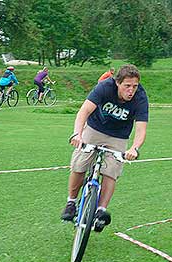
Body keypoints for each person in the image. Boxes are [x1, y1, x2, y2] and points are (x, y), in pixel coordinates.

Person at [61, 64, 149, 232]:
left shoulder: (140, 98)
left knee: (111, 171)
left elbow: (141, 128)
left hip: (118, 136)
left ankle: (100, 211)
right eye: (127, 86)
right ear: (117, 83)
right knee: (80, 164)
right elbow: (84, 112)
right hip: (94, 129)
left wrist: (134, 148)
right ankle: (71, 202)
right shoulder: (104, 87)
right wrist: (77, 134)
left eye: (134, 86)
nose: (131, 90)